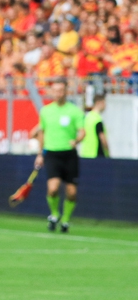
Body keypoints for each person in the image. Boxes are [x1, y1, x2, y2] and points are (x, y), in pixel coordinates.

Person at [31, 79, 85, 233]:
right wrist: (40, 154)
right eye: (55, 90)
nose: (58, 93)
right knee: (53, 188)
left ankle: (65, 220)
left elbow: (82, 131)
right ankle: (54, 214)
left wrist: (77, 140)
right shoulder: (46, 111)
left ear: (66, 91)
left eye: (61, 90)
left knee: (71, 192)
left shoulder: (74, 111)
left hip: (69, 154)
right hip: (52, 153)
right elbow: (41, 132)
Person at [80, 94, 109, 160]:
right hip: (97, 154)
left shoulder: (87, 117)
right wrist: (108, 153)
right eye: (104, 103)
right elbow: (102, 138)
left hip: (86, 154)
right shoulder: (97, 119)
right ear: (98, 103)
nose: (105, 106)